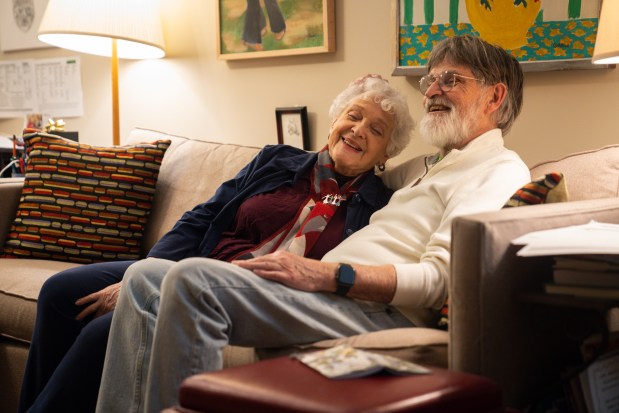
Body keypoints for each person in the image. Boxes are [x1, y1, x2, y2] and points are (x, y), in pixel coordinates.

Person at [95, 34, 531, 413]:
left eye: (450, 80)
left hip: (379, 311)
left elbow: (439, 280)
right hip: (333, 299)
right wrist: (351, 122)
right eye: (429, 79)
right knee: (147, 275)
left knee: (193, 282)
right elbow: (348, 167)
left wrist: (325, 273)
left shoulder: (499, 171)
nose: (433, 90)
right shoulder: (427, 165)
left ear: (495, 97)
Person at [18, 74, 413, 413]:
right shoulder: (278, 160)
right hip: (193, 258)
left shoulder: (376, 207)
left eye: (376, 130)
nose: (359, 129)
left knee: (99, 331)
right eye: (353, 115)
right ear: (335, 121)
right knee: (58, 292)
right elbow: (203, 217)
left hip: (234, 289)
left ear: (387, 153)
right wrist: (145, 273)